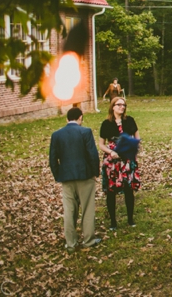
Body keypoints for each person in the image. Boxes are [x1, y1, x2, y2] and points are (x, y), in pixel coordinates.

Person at [49, 107, 102, 251]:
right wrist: (95, 172)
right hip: (85, 176)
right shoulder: (85, 132)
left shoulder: (56, 135)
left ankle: (71, 243)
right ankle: (88, 240)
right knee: (87, 209)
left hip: (66, 177)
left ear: (67, 119)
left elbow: (53, 159)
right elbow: (93, 154)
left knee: (69, 210)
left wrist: (58, 175)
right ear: (80, 118)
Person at [99, 97, 141, 229]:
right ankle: (113, 222)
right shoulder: (106, 124)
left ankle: (130, 219)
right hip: (112, 161)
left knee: (129, 189)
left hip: (127, 159)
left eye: (124, 105)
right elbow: (101, 144)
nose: (122, 107)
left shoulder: (130, 121)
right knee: (111, 191)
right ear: (112, 107)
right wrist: (110, 152)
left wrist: (132, 150)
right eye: (119, 105)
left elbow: (137, 138)